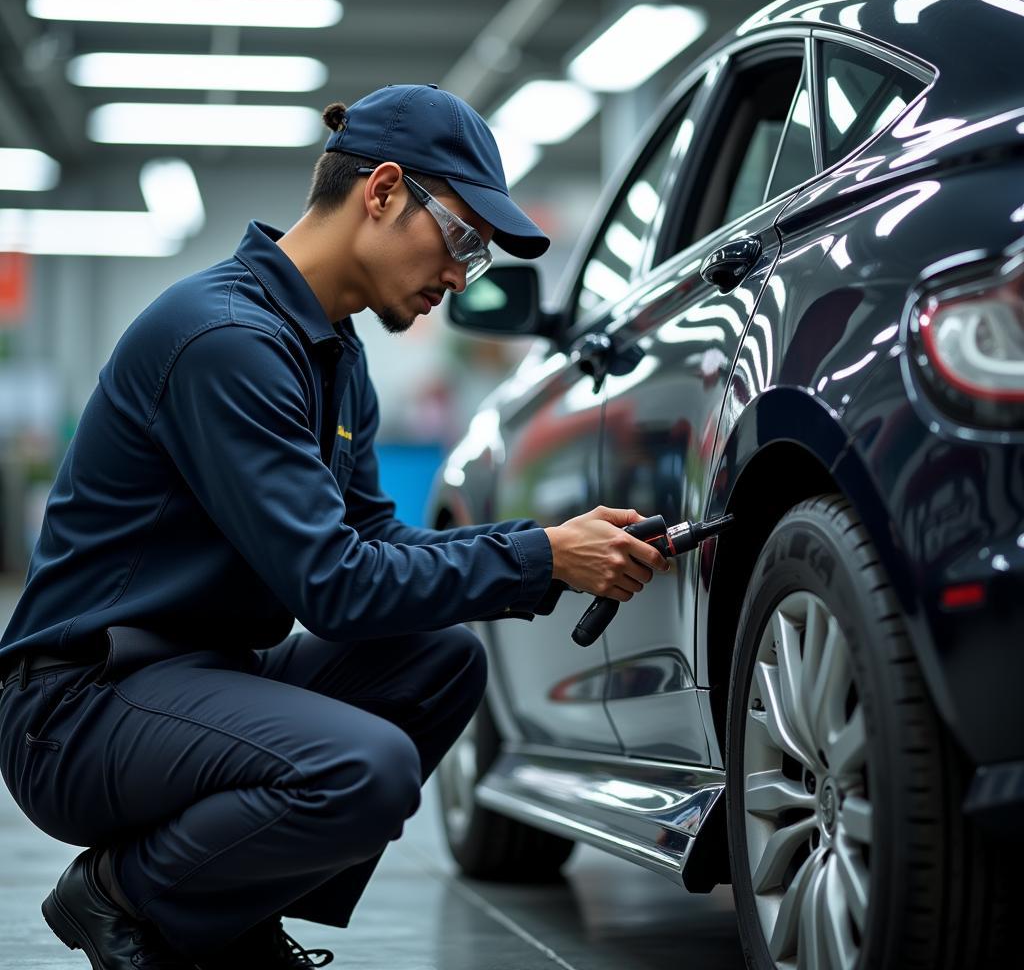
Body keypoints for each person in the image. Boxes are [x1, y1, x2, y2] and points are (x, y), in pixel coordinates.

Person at [0, 84, 671, 970]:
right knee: (363, 768)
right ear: (383, 191)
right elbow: (335, 586)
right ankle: (122, 894)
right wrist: (539, 556)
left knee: (441, 663)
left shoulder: (332, 350)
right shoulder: (227, 340)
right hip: (79, 707)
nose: (461, 276)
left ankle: (222, 919)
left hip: (194, 678)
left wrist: (549, 552)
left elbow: (374, 545)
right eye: (462, 237)